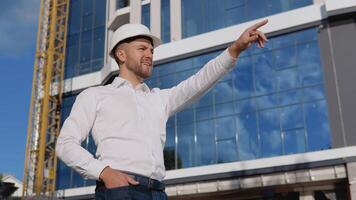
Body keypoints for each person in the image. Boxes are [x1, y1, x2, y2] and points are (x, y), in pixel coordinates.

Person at [56, 20, 268, 200]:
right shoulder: (95, 95)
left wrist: (235, 49)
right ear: (121, 54)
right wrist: (104, 172)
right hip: (119, 190)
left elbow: (198, 82)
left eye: (151, 50)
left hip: (157, 192)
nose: (149, 54)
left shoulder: (158, 98)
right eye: (142, 49)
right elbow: (66, 145)